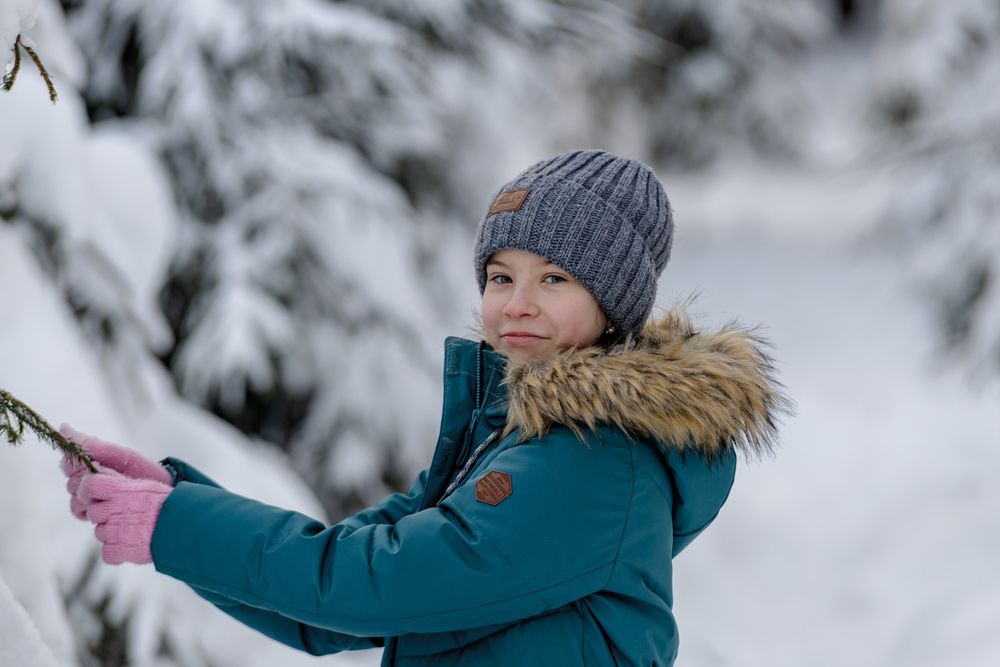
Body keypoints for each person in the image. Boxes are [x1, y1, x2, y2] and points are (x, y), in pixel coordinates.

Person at [61, 149, 791, 665]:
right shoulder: (514, 438)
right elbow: (328, 607)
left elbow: (376, 583)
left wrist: (175, 527)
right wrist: (177, 501)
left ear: (613, 308)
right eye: (501, 275)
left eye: (555, 278)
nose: (517, 304)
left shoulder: (595, 461)